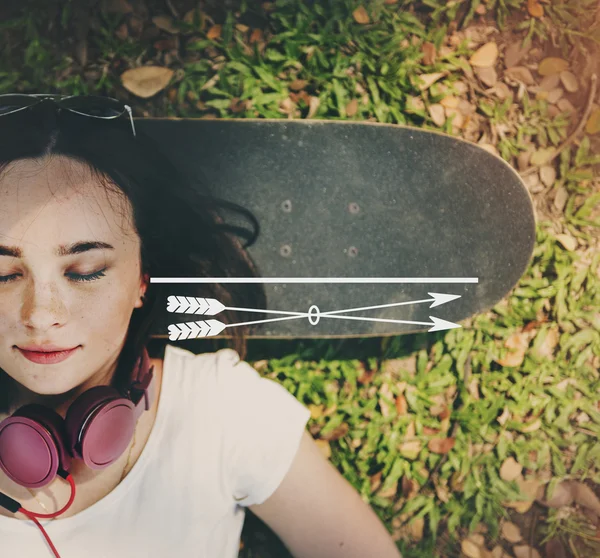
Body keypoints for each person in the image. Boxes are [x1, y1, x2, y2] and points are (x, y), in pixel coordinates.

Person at [0, 95, 403, 557]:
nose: (40, 314)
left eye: (86, 270)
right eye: (4, 275)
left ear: (142, 279)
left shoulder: (221, 411)